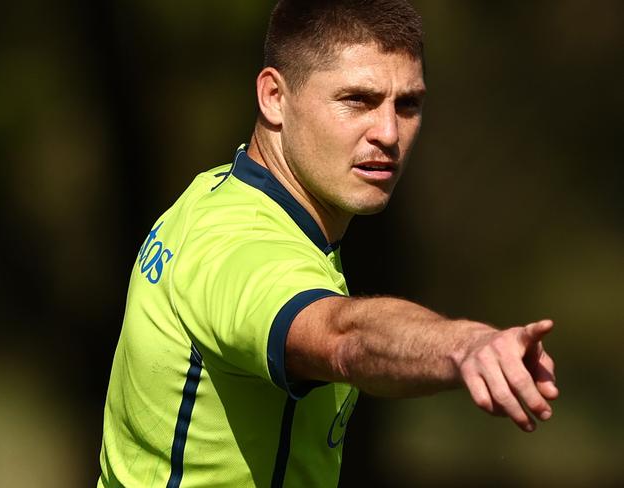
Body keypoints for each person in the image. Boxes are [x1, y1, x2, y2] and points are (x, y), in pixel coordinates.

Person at [98, 1, 558, 486]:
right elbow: (342, 336)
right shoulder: (238, 244)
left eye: (408, 105)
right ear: (274, 97)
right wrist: (465, 345)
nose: (388, 133)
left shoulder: (215, 192)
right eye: (357, 100)